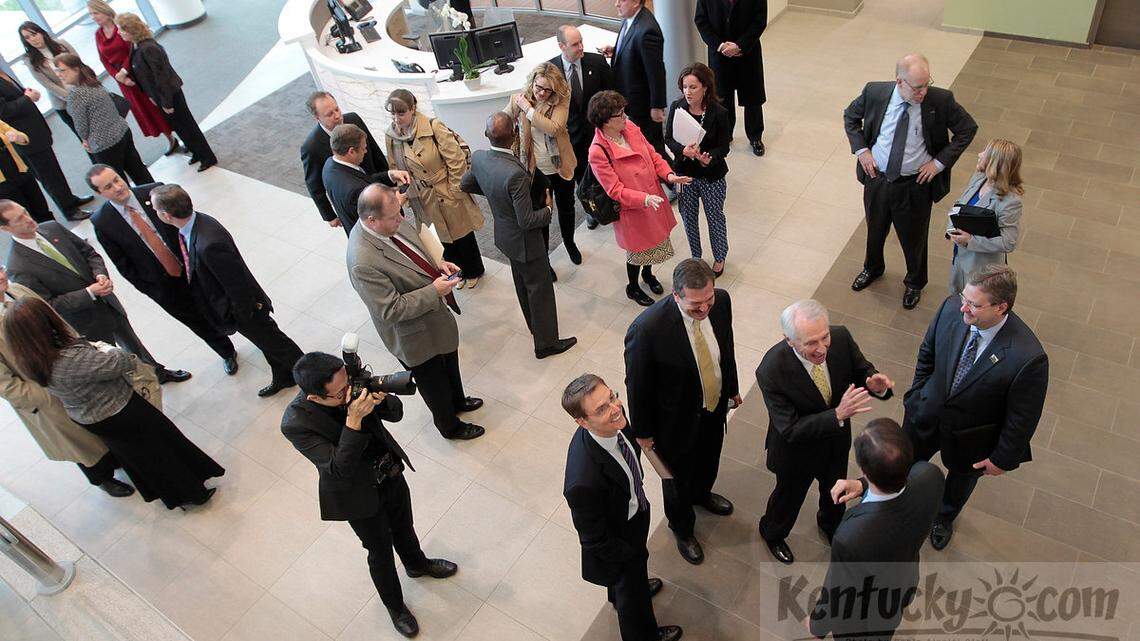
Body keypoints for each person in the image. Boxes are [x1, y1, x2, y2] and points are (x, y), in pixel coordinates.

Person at [282, 352, 458, 639]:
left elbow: (396, 413)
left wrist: (381, 398)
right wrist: (353, 419)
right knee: (379, 550)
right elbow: (339, 468)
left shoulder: (350, 385)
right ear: (315, 398)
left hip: (389, 472)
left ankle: (416, 564)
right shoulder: (296, 423)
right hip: (356, 494)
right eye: (339, 393)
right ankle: (396, 607)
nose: (349, 392)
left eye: (348, 382)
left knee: (404, 526)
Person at [3, 297, 223, 510]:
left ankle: (174, 494)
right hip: (119, 410)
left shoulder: (32, 359)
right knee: (160, 449)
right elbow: (121, 363)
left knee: (138, 456)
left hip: (92, 416)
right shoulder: (67, 359)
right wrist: (107, 349)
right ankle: (193, 492)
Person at [903, 265, 1047, 551]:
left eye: (974, 304)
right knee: (904, 462)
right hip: (927, 412)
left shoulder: (1028, 357)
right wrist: (916, 392)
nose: (963, 309)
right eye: (964, 298)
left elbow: (1022, 418)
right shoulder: (950, 307)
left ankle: (944, 517)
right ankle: (897, 501)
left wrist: (1002, 459)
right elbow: (927, 352)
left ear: (1001, 307)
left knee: (960, 482)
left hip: (972, 437)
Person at [755, 299, 893, 564]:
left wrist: (873, 382)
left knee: (835, 493)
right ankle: (772, 533)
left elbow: (861, 368)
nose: (821, 349)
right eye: (810, 343)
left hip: (835, 444)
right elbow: (790, 428)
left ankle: (831, 526)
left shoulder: (840, 337)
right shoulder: (771, 370)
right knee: (788, 498)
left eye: (824, 337)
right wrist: (837, 415)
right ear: (790, 340)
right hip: (796, 452)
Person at [624, 258, 740, 565]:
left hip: (713, 409)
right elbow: (637, 386)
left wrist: (732, 387)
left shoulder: (721, 302)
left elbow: (725, 349)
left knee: (709, 458)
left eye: (709, 300)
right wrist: (644, 434)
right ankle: (682, 528)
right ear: (676, 295)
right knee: (677, 481)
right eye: (696, 304)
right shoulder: (647, 330)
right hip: (674, 422)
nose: (705, 310)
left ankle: (703, 494)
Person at [347, 183, 485, 441]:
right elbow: (390, 308)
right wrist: (435, 290)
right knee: (433, 384)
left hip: (435, 319)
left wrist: (438, 264)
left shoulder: (391, 222)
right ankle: (449, 426)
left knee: (449, 364)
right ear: (371, 220)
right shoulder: (362, 261)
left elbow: (415, 251)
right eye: (394, 217)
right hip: (414, 335)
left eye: (400, 212)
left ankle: (458, 401)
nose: (401, 218)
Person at [1, 200, 190, 384]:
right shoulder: (18, 266)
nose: (27, 218)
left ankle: (156, 372)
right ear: (5, 229)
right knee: (106, 360)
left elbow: (88, 253)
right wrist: (89, 292)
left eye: (25, 211)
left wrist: (100, 274)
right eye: (19, 219)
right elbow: (47, 305)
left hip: (107, 301)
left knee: (133, 342)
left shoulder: (51, 228)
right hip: (84, 321)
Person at [844, 53, 977, 310]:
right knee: (875, 228)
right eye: (917, 87)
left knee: (913, 237)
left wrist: (939, 163)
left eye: (927, 84)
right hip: (877, 179)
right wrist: (862, 151)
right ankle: (872, 268)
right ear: (899, 82)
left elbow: (967, 129)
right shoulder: (874, 92)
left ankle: (915, 282)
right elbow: (851, 117)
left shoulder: (941, 100)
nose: (923, 92)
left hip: (914, 185)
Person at [151, 185, 304, 397]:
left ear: (166, 215)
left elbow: (236, 284)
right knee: (266, 342)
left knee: (278, 344)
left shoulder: (208, 243)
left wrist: (240, 316)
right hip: (239, 307)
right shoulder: (197, 223)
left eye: (156, 210)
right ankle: (283, 376)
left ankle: (315, 380)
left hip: (245, 310)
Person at [561, 373, 682, 641]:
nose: (615, 409)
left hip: (631, 513)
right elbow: (594, 540)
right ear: (582, 422)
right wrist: (628, 556)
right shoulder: (583, 481)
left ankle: (620, 591)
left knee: (629, 581)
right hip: (618, 537)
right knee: (633, 596)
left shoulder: (616, 419)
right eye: (602, 409)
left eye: (612, 397)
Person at [87, 166, 237, 375]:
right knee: (196, 320)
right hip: (162, 283)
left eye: (117, 179)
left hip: (191, 265)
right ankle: (226, 352)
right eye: (109, 186)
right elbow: (123, 264)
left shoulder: (154, 192)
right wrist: (150, 288)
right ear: (100, 193)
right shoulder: (102, 221)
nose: (118, 187)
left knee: (220, 302)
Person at [0, 267, 134, 498]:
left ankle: (118, 458)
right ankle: (102, 478)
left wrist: (82, 351)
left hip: (74, 374)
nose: (2, 276)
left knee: (100, 426)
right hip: (47, 394)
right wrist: (49, 393)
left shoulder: (17, 290)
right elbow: (7, 385)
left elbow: (57, 322)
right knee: (81, 445)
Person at [811, 419, 945, 640]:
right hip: (903, 583)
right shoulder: (930, 475)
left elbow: (837, 591)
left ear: (864, 469)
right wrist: (863, 485)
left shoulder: (851, 537)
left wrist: (817, 626)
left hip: (861, 618)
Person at [461, 112, 577, 360]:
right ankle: (546, 344)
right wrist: (548, 209)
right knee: (540, 291)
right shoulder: (515, 175)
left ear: (486, 135)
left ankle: (536, 329)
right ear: (514, 136)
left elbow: (466, 184)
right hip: (526, 243)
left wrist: (497, 198)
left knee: (523, 286)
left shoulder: (480, 158)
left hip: (505, 237)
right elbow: (526, 221)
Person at [587, 91, 691, 307]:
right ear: (605, 121)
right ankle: (632, 287)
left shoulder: (630, 128)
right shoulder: (597, 151)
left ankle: (648, 275)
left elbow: (653, 155)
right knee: (636, 253)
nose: (625, 117)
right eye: (619, 114)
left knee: (654, 246)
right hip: (634, 209)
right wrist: (644, 199)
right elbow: (614, 190)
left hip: (652, 199)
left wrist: (669, 175)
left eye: (624, 111)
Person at [383, 90, 485, 287]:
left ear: (413, 109)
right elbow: (394, 166)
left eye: (401, 113)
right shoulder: (391, 136)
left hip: (445, 190)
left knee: (461, 234)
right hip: (421, 196)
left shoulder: (433, 126)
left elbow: (456, 161)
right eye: (393, 114)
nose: (397, 119)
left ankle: (474, 270)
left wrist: (456, 189)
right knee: (440, 238)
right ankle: (458, 272)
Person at [117, 12, 217, 172]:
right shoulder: (136, 46)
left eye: (121, 29)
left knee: (188, 126)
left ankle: (207, 157)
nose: (118, 33)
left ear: (130, 30)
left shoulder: (148, 48)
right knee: (179, 127)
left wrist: (166, 102)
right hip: (159, 97)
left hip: (169, 96)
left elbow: (162, 78)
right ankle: (196, 152)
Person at [505, 62, 581, 266]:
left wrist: (529, 111)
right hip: (535, 170)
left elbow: (554, 128)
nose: (542, 93)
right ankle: (544, 257)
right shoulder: (518, 99)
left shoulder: (561, 99)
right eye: (538, 87)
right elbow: (503, 122)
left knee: (567, 208)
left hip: (560, 166)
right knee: (542, 214)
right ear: (532, 82)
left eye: (548, 89)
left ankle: (569, 242)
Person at [664, 63, 732, 277]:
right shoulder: (677, 107)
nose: (688, 92)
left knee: (715, 217)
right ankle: (696, 256)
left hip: (711, 176)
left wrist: (707, 158)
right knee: (689, 217)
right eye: (685, 87)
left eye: (693, 87)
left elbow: (724, 146)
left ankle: (719, 257)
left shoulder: (719, 113)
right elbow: (668, 138)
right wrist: (683, 150)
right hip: (685, 176)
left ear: (705, 88)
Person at [0, 66, 92, 221]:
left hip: (34, 130)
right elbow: (4, 111)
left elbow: (17, 95)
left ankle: (69, 199)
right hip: (22, 137)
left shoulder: (3, 73)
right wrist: (26, 98)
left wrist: (28, 94)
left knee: (53, 169)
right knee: (48, 176)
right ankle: (69, 210)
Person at [88, 0, 179, 157]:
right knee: (145, 111)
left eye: (95, 13)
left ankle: (180, 134)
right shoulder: (98, 34)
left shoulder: (120, 26)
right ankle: (170, 138)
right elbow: (104, 59)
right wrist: (118, 77)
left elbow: (133, 48)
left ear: (104, 11)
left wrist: (124, 70)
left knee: (158, 104)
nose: (93, 17)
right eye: (90, 14)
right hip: (124, 81)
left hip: (138, 72)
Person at [550, 25, 614, 231]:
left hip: (597, 133)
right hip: (570, 139)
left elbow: (610, 94)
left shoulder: (596, 62)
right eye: (575, 44)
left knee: (604, 171)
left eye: (581, 42)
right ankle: (591, 209)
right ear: (561, 46)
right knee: (581, 177)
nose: (581, 47)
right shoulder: (551, 71)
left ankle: (611, 205)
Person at [55, 54, 153, 186]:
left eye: (62, 70)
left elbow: (81, 126)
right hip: (122, 132)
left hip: (104, 144)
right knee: (139, 172)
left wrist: (84, 139)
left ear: (76, 69)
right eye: (57, 71)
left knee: (117, 183)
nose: (59, 74)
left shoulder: (76, 95)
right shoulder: (93, 82)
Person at [946, 139, 1023, 294]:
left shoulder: (1010, 201)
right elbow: (961, 204)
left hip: (981, 268)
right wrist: (952, 228)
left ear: (995, 163)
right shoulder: (980, 177)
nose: (979, 154)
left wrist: (970, 241)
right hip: (960, 258)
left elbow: (1008, 242)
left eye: (985, 153)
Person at [300, 91, 388, 227]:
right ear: (317, 117)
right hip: (355, 206)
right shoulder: (311, 147)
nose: (337, 116)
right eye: (329, 114)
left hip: (377, 184)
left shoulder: (354, 119)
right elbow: (314, 185)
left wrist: (390, 182)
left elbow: (375, 152)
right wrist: (330, 216)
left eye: (337, 109)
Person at [694, 0, 768, 156]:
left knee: (752, 98)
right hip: (719, 55)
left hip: (748, 52)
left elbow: (759, 21)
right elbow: (701, 20)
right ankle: (725, 135)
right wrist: (720, 46)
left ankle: (755, 137)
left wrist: (739, 45)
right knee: (722, 97)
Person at [601, 0, 668, 159]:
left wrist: (657, 106)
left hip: (642, 106)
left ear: (637, 2)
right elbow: (633, 48)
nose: (616, 4)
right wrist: (616, 51)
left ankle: (672, 180)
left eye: (622, 0)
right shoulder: (629, 18)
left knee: (653, 148)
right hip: (629, 99)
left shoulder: (648, 30)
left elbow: (656, 71)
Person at [321, 123, 407, 232]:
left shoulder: (330, 165)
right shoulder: (356, 190)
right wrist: (398, 204)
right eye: (363, 148)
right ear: (351, 151)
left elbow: (363, 179)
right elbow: (375, 223)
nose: (366, 152)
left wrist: (390, 175)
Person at [18, 22, 83, 141]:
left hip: (84, 92)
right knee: (84, 138)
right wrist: (71, 97)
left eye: (34, 34)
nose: (32, 39)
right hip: (64, 103)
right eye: (27, 38)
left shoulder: (61, 44)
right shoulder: (29, 59)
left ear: (41, 32)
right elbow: (47, 84)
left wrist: (84, 91)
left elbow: (80, 65)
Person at [0, 119, 52, 224]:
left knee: (42, 210)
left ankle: (57, 236)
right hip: (3, 185)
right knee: (23, 220)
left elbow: (23, 138)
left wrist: (18, 137)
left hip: (21, 171)